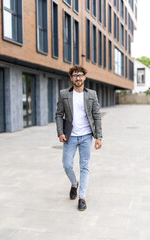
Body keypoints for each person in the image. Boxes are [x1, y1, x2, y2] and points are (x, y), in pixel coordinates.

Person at [55, 65, 102, 211]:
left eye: (80, 75)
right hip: (70, 136)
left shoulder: (92, 94)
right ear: (71, 78)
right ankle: (74, 183)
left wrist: (99, 137)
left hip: (87, 136)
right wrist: (60, 132)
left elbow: (96, 116)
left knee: (84, 166)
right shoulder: (64, 94)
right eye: (75, 75)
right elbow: (58, 114)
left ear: (85, 77)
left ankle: (82, 197)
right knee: (67, 164)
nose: (78, 78)